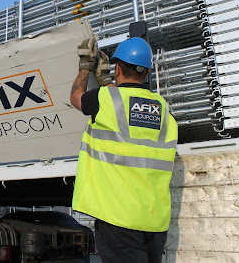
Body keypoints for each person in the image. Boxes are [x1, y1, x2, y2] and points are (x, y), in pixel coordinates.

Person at [70, 36, 178, 263]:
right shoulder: (163, 110)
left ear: (118, 67)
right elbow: (127, 108)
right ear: (147, 73)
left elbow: (76, 98)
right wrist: (105, 80)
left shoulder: (105, 100)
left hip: (119, 220)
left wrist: (85, 68)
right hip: (154, 221)